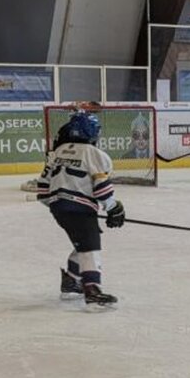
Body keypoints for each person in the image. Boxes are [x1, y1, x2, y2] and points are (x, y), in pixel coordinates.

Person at [36, 109, 124, 308]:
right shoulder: (94, 153)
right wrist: (113, 208)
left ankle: (71, 280)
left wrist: (61, 204)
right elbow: (101, 188)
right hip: (79, 208)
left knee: (82, 243)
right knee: (90, 246)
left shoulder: (57, 152)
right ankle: (91, 289)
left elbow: (42, 191)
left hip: (58, 207)